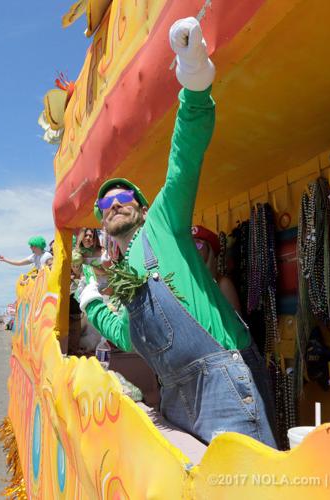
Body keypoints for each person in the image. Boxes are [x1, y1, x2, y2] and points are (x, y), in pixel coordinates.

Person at [77, 17, 276, 447]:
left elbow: (185, 154)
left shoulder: (164, 221)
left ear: (144, 208)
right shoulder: (124, 269)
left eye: (124, 197)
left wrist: (194, 77)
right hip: (174, 394)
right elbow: (130, 335)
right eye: (105, 205)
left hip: (224, 376)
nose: (115, 205)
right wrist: (92, 301)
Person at [192, 225, 244, 314]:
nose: (193, 249)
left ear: (209, 249)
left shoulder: (223, 284)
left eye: (197, 244)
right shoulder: (191, 283)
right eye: (189, 245)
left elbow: (236, 324)